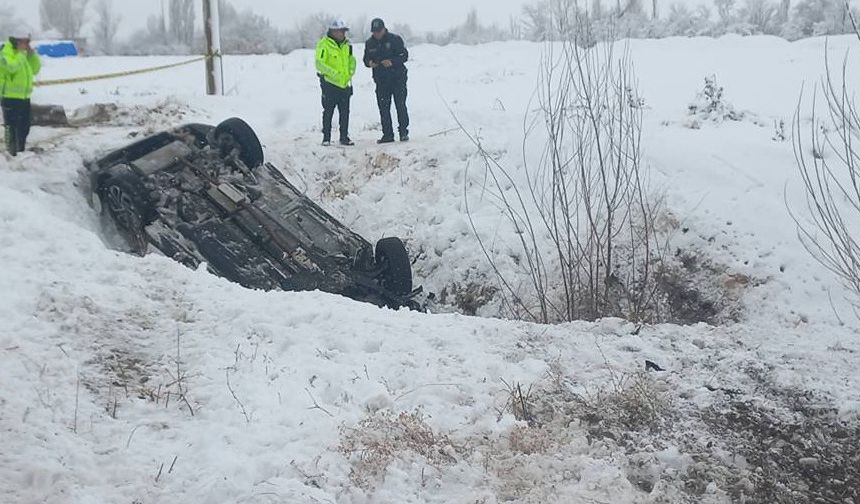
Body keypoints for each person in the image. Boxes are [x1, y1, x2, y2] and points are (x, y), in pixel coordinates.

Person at [363, 18, 409, 144]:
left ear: (384, 29)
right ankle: (387, 134)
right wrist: (370, 63)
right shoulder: (369, 43)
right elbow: (365, 59)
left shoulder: (395, 39)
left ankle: (403, 132)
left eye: (379, 31)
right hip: (381, 80)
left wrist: (392, 62)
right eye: (374, 32)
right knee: (383, 108)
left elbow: (404, 56)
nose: (376, 34)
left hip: (397, 79)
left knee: (400, 105)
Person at [315, 20, 356, 146]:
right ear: (333, 31)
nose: (342, 33)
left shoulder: (347, 45)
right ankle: (326, 137)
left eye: (344, 31)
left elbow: (351, 61)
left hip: (344, 84)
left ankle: (344, 137)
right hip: (329, 84)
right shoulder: (324, 44)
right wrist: (334, 74)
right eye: (340, 31)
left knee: (345, 112)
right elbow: (319, 64)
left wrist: (350, 72)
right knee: (328, 111)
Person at [0, 33, 41, 156]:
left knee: (24, 126)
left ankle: (20, 150)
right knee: (11, 126)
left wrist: (31, 55)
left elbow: (35, 69)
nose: (27, 45)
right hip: (9, 96)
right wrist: (21, 54)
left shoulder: (22, 55)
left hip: (24, 97)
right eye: (25, 42)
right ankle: (10, 152)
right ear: (16, 41)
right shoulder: (5, 52)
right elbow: (11, 67)